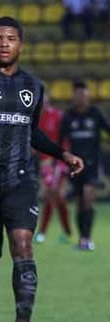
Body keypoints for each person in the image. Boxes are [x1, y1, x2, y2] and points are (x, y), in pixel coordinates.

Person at [0, 17, 84, 322]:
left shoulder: (34, 86)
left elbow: (32, 131)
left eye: (11, 38)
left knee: (23, 245)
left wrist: (63, 154)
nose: (4, 43)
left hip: (21, 179)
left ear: (21, 44)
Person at [59, 80, 110, 250]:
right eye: (78, 94)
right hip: (74, 166)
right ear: (74, 96)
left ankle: (88, 237)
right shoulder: (68, 116)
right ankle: (82, 238)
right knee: (80, 202)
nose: (80, 98)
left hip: (92, 164)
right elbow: (60, 140)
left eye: (83, 94)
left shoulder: (95, 113)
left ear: (87, 96)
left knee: (88, 197)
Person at [35, 91, 72, 244]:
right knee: (57, 197)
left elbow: (64, 138)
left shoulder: (57, 115)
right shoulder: (34, 118)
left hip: (57, 161)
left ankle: (43, 232)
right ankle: (67, 232)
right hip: (44, 162)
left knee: (51, 194)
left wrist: (62, 157)